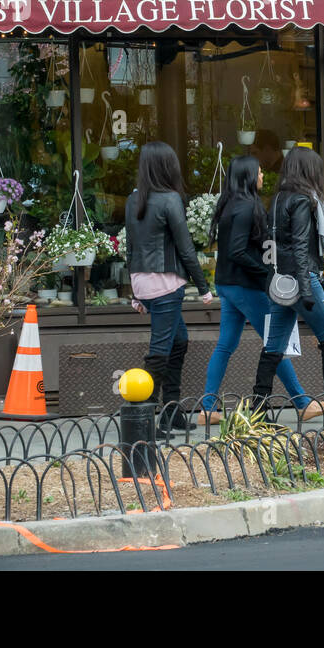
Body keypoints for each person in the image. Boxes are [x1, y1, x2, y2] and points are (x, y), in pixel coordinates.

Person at [201, 154, 324, 423]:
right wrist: (268, 272)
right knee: (274, 344)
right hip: (245, 286)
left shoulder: (228, 205)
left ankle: (207, 408)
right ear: (247, 176)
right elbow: (237, 251)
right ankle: (302, 402)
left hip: (226, 284)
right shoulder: (247, 207)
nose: (262, 176)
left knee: (226, 345)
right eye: (258, 172)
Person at [251, 147, 324, 425]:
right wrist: (309, 291)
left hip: (281, 283)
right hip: (302, 281)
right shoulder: (304, 201)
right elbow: (300, 248)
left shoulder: (279, 198)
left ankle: (258, 411)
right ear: (309, 171)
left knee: (273, 347)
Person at [122, 141, 214, 437]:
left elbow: (130, 246)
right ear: (167, 167)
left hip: (142, 279)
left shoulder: (133, 199)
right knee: (160, 350)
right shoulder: (170, 199)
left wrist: (135, 291)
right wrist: (204, 287)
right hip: (166, 282)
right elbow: (186, 248)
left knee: (179, 342)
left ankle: (171, 412)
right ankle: (145, 419)